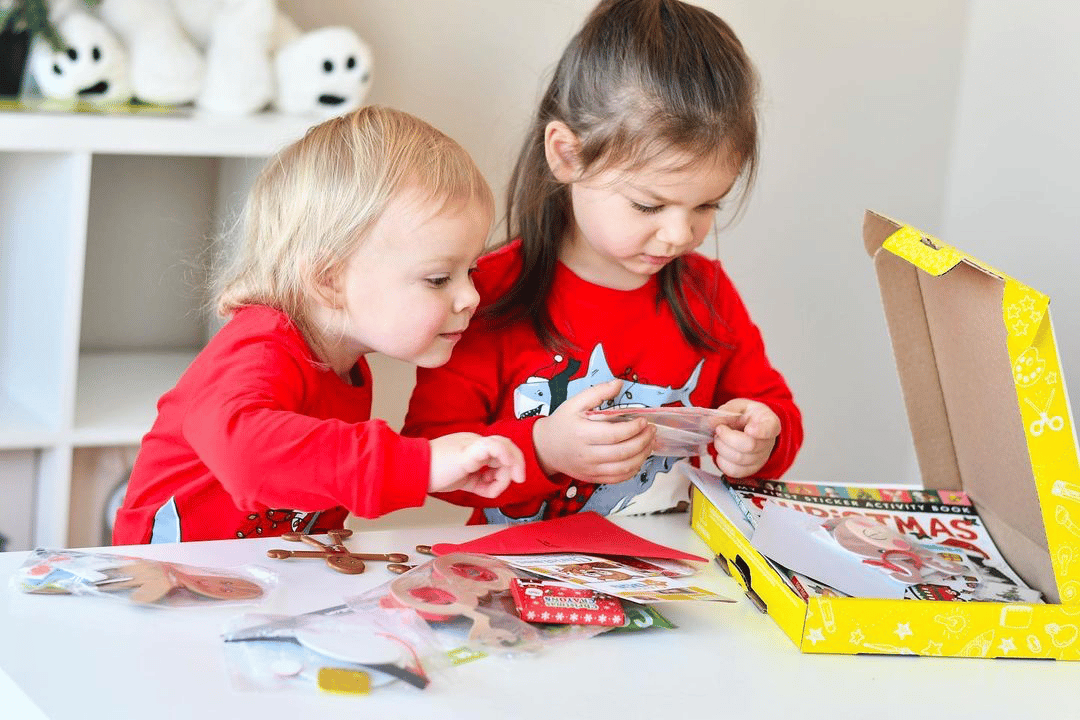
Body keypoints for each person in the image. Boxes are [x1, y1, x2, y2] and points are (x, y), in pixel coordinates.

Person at [403, 0, 802, 525]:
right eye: (648, 205)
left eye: (706, 205)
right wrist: (543, 449)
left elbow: (773, 412)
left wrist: (762, 438)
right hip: (522, 581)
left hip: (672, 572)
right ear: (568, 155)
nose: (681, 234)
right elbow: (430, 453)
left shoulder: (707, 293)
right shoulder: (486, 293)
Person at [113, 106, 525, 544]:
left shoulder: (347, 366)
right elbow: (248, 457)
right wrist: (419, 465)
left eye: (471, 272)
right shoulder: (260, 347)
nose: (470, 298)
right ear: (329, 280)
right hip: (162, 584)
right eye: (440, 278)